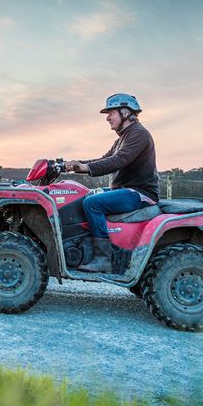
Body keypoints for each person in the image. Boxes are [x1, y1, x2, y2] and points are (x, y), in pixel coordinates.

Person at [63, 93, 159, 273]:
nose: (107, 118)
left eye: (111, 113)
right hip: (126, 190)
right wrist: (73, 165)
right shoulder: (123, 137)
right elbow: (104, 159)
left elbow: (119, 160)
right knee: (86, 196)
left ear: (125, 112)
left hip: (140, 193)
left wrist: (84, 167)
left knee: (92, 203)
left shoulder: (139, 134)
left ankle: (103, 258)